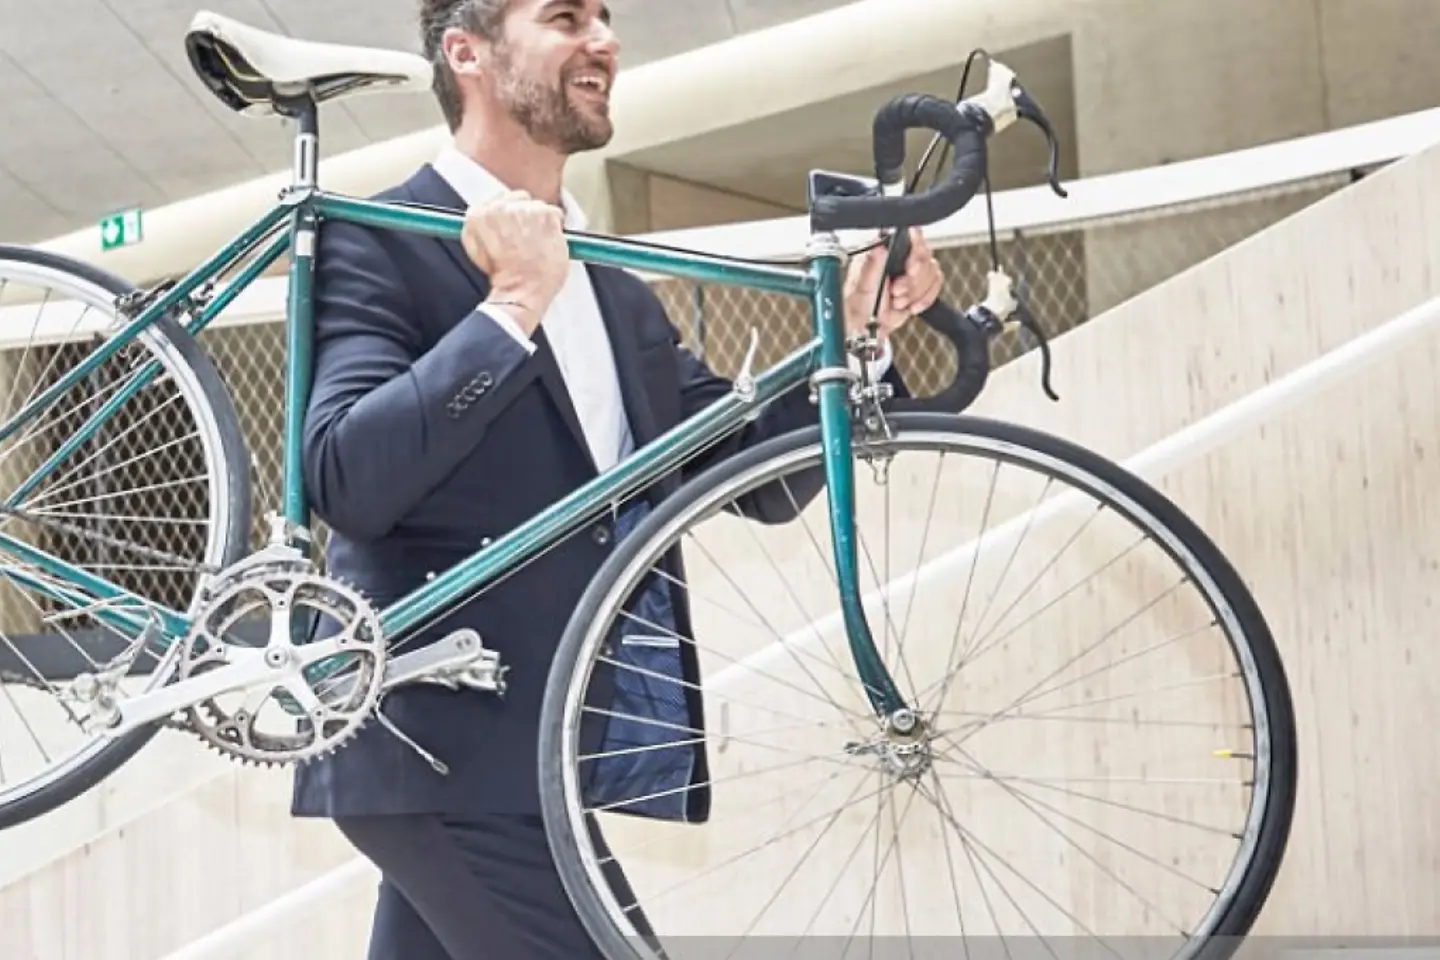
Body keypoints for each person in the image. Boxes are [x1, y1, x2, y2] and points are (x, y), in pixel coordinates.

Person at [290, 0, 946, 957]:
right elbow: (345, 477)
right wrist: (510, 303)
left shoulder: (614, 292)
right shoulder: (382, 235)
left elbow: (752, 476)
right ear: (465, 52)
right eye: (565, 16)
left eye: (605, 16)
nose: (606, 38)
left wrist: (852, 335)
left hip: (534, 752)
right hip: (436, 748)